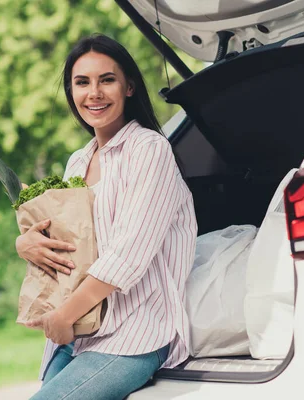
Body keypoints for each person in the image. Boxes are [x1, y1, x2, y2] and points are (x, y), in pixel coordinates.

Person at [15, 33, 197, 400]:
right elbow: (68, 243)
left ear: (129, 86)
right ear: (71, 92)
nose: (93, 93)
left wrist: (65, 315)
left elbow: (128, 256)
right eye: (82, 82)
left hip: (136, 333)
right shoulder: (78, 161)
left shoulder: (149, 150)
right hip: (81, 332)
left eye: (106, 80)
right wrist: (25, 242)